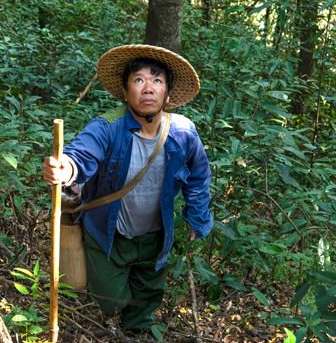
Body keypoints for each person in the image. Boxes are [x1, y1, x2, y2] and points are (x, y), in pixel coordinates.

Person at [42, 44, 212, 331]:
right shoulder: (108, 126)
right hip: (108, 232)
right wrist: (66, 168)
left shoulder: (183, 133)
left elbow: (198, 176)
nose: (148, 88)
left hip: (155, 235)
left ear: (168, 94)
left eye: (157, 81)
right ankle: (116, 315)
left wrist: (197, 218)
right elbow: (82, 154)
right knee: (110, 299)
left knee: (147, 298)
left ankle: (137, 333)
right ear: (125, 92)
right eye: (139, 80)